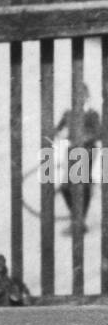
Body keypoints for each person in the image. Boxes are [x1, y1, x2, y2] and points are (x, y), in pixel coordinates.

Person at [53, 89, 101, 227]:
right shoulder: (68, 114)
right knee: (65, 188)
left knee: (83, 185)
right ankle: (78, 219)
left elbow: (99, 133)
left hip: (88, 151)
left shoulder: (92, 114)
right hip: (72, 152)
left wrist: (83, 139)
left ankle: (80, 220)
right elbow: (57, 129)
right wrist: (60, 135)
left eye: (83, 96)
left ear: (87, 98)